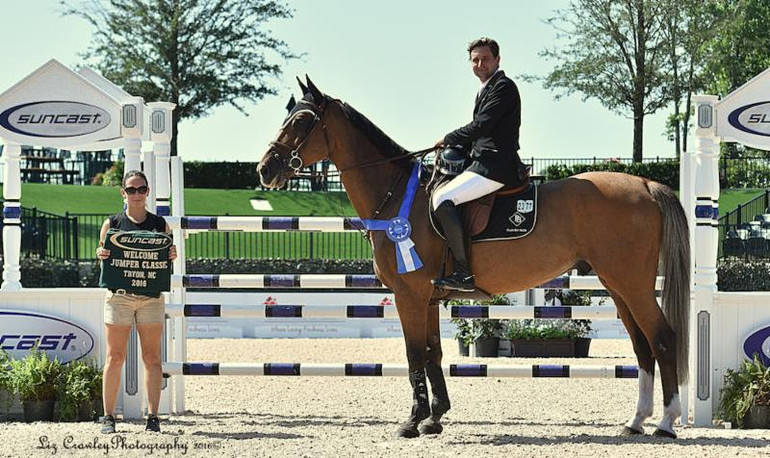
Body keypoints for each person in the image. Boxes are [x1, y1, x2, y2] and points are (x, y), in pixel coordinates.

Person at [432, 37, 523, 293]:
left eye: (485, 59)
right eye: (475, 60)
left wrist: (449, 138)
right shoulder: (486, 87)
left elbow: (482, 125)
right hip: (483, 160)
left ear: (498, 60)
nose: (480, 64)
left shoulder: (503, 87)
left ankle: (463, 272)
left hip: (495, 165)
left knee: (443, 199)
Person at [96, 170, 177, 434]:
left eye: (141, 189)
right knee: (114, 356)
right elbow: (103, 254)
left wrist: (172, 254)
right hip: (119, 297)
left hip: (150, 298)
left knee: (152, 358)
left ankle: (153, 417)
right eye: (131, 190)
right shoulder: (112, 223)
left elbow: (167, 259)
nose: (136, 194)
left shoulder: (160, 225)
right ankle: (108, 417)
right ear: (123, 193)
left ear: (148, 191)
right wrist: (100, 253)